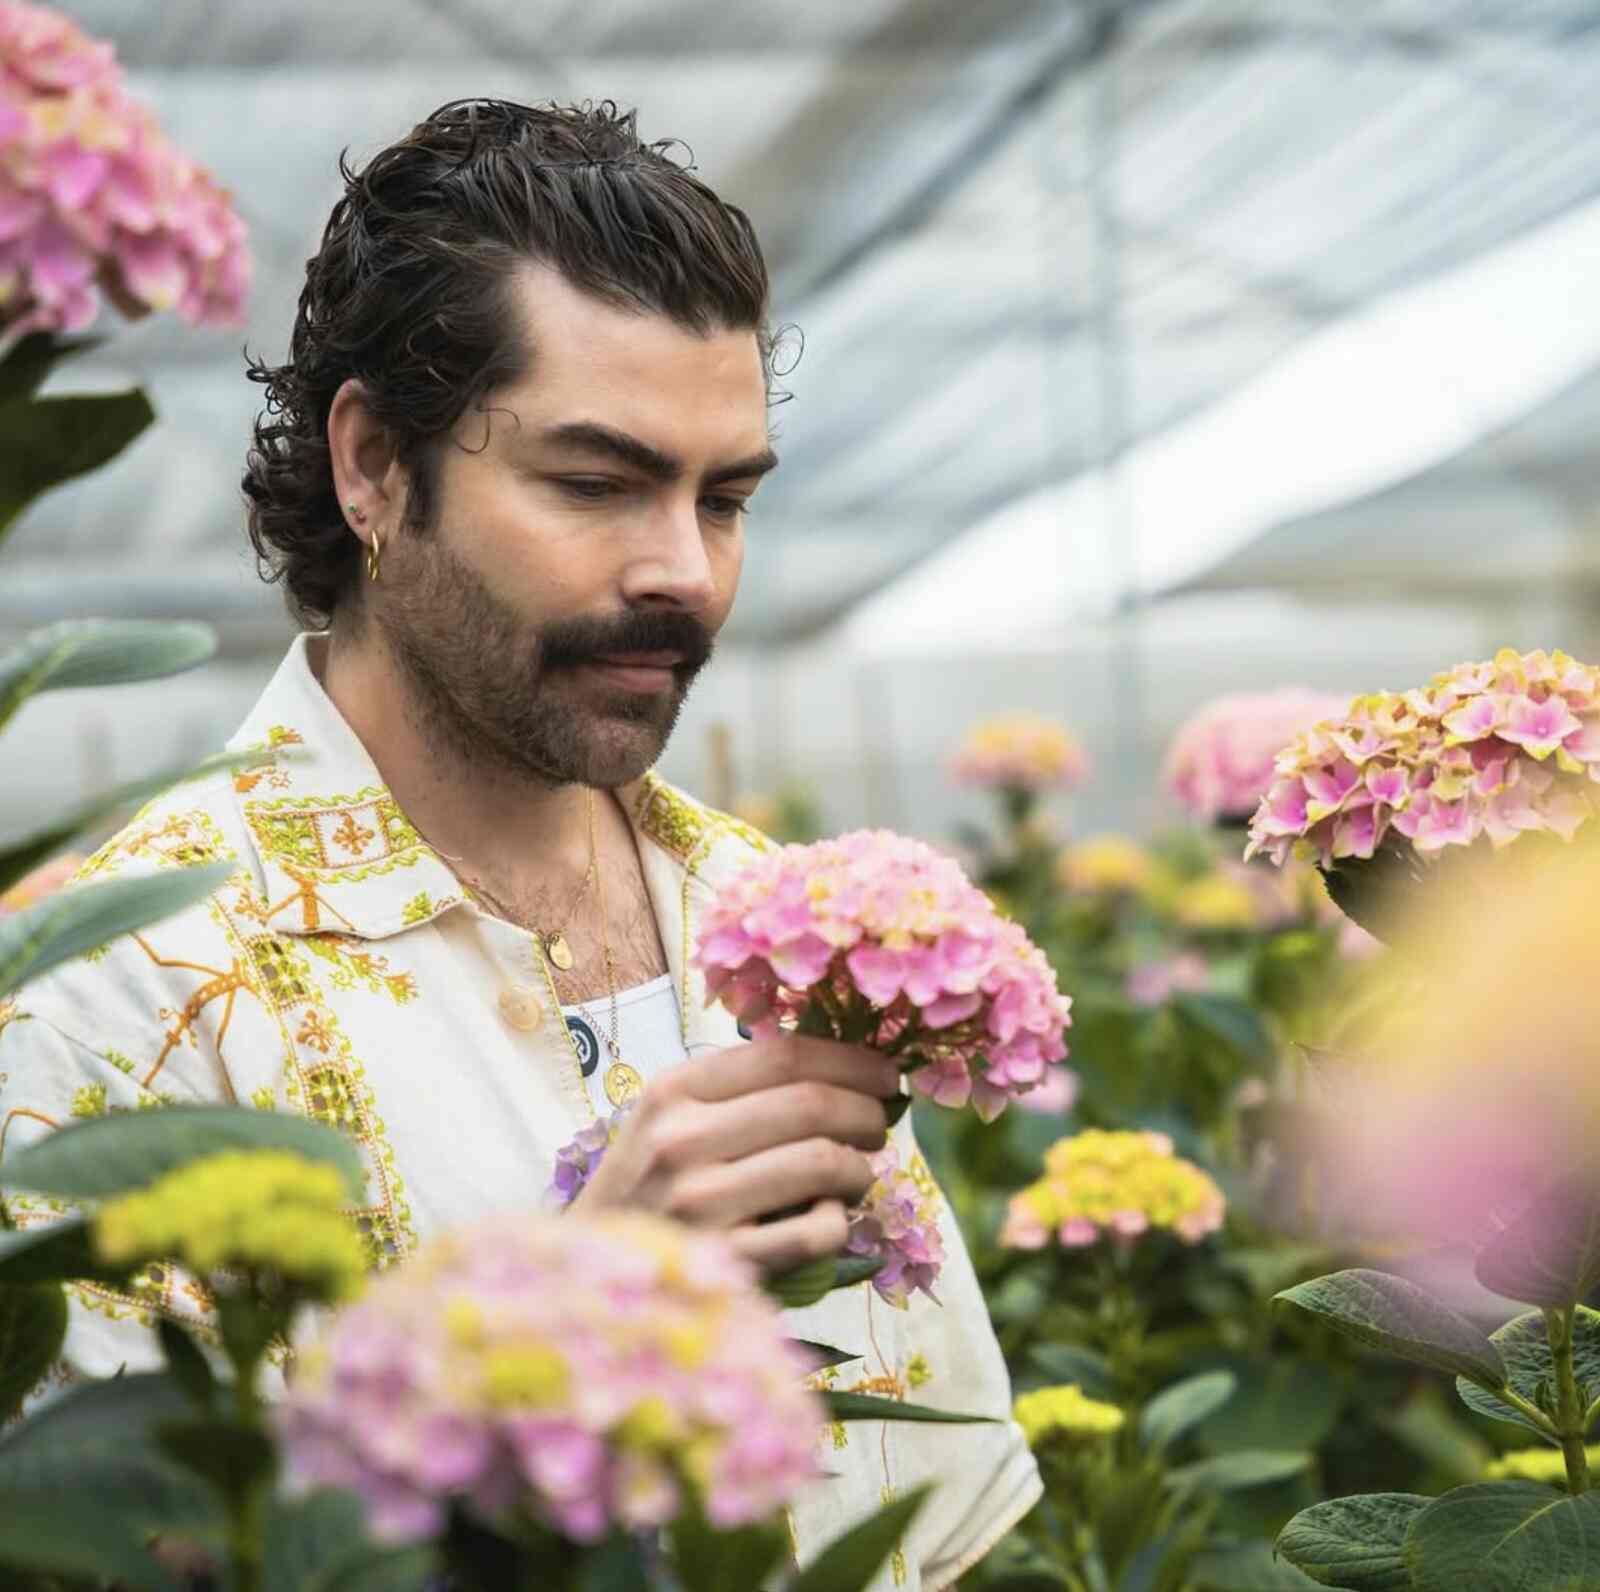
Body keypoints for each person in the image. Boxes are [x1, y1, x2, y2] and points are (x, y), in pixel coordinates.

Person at [0, 99, 1039, 1587]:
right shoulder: (123, 1005)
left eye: (724, 498)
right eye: (595, 483)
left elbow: (931, 1523)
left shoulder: (784, 927)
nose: (684, 573)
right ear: (372, 464)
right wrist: (559, 1328)